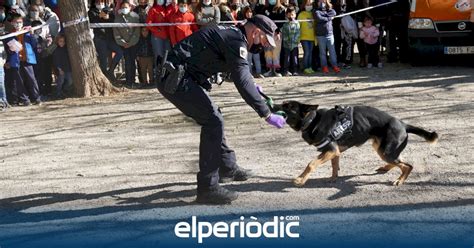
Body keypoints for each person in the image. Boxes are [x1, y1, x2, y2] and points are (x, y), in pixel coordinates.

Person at [156, 14, 286, 204]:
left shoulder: (232, 34)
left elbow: (236, 72)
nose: (262, 45)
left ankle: (227, 167)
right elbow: (242, 80)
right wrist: (266, 113)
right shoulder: (236, 41)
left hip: (180, 76)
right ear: (256, 32)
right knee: (213, 120)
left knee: (215, 115)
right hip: (175, 79)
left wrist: (253, 86)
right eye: (263, 40)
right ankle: (208, 188)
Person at [4, 14, 42, 106]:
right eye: (16, 22)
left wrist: (32, 34)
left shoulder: (27, 32)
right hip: (16, 61)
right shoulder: (10, 35)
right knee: (19, 81)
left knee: (32, 79)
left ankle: (36, 98)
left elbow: (34, 44)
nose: (18, 24)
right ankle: (25, 99)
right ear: (12, 23)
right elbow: (7, 50)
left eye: (20, 22)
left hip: (27, 59)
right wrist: (10, 51)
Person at [88, 0, 124, 79]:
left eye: (101, 2)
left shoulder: (109, 10)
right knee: (103, 60)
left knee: (120, 52)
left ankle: (111, 71)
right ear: (94, 3)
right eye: (98, 2)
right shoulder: (91, 12)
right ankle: (104, 77)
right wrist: (99, 16)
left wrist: (107, 18)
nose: (100, 3)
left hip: (110, 39)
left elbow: (113, 20)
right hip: (100, 39)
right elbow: (91, 21)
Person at [114, 1, 141, 87]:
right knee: (127, 62)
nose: (124, 9)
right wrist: (122, 42)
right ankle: (128, 81)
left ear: (130, 7)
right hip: (123, 45)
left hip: (133, 44)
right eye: (122, 8)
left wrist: (131, 42)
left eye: (126, 7)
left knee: (132, 62)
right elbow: (116, 33)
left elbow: (137, 32)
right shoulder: (117, 19)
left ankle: (133, 80)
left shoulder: (135, 17)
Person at [314, 0, 340, 73]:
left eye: (324, 1)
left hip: (330, 34)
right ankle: (324, 66)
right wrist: (329, 18)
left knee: (332, 52)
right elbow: (319, 18)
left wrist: (326, 16)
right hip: (320, 35)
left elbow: (334, 13)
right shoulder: (316, 11)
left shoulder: (329, 10)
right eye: (320, 1)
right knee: (322, 52)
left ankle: (335, 65)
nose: (322, 3)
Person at [262, 0, 285, 77]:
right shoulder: (265, 9)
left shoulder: (281, 9)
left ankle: (276, 69)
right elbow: (264, 21)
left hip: (277, 34)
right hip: (267, 33)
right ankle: (269, 69)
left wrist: (277, 31)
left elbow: (281, 21)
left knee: (276, 51)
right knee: (267, 51)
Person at [146, 0, 172, 68]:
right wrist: (157, 30)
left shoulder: (166, 9)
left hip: (167, 36)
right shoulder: (153, 9)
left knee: (168, 55)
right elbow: (148, 23)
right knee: (159, 55)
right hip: (157, 36)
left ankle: (167, 75)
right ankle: (158, 74)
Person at [242, 6, 263, 78]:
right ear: (245, 13)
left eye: (250, 12)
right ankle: (249, 73)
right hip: (247, 43)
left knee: (257, 59)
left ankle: (259, 72)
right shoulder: (243, 22)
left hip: (256, 43)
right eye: (247, 12)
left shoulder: (256, 21)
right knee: (248, 59)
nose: (249, 14)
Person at [298, 0, 316, 74]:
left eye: (310, 4)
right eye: (307, 4)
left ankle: (309, 67)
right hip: (304, 37)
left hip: (312, 37)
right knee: (307, 52)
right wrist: (298, 38)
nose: (309, 6)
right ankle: (305, 67)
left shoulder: (313, 14)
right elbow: (298, 26)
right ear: (304, 5)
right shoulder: (301, 14)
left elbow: (315, 26)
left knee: (310, 53)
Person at [281, 6, 299, 76]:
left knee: (294, 58)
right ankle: (286, 71)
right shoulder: (285, 24)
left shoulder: (297, 24)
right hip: (286, 45)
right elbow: (284, 34)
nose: (291, 16)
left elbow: (298, 33)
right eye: (289, 14)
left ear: (295, 15)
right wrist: (287, 41)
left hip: (294, 44)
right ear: (287, 15)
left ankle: (295, 70)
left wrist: (296, 41)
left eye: (292, 14)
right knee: (287, 58)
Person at [0, 22, 7, 110]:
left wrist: (3, 62)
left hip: (0, 66)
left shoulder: (1, 41)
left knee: (1, 84)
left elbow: (4, 54)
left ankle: (3, 101)